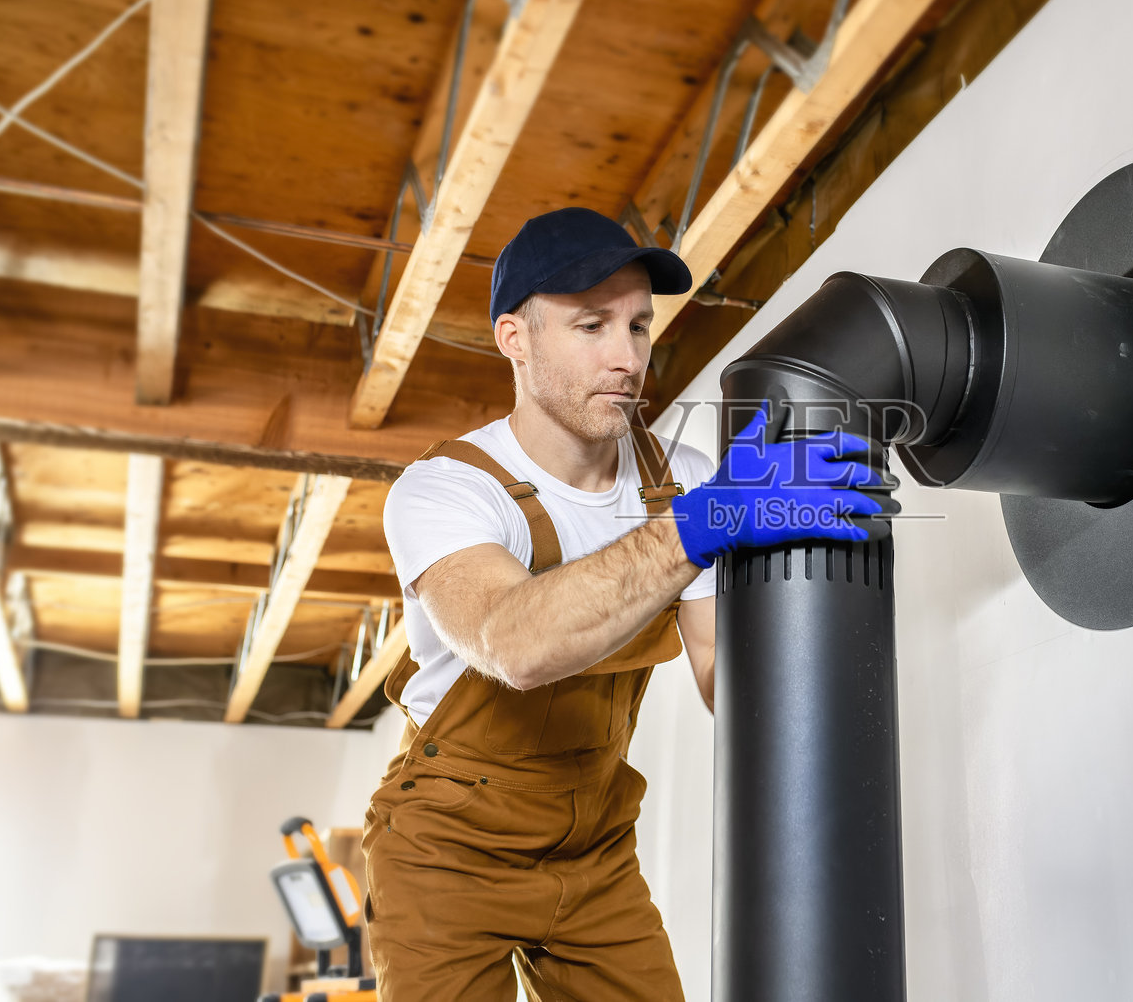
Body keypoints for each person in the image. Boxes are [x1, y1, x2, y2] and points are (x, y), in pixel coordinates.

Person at [363, 206, 898, 1000]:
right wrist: (703, 523)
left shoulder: (681, 478)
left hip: (596, 848)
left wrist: (831, 695)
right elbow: (514, 643)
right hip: (446, 852)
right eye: (591, 326)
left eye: (639, 326)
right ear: (514, 337)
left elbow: (718, 667)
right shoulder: (447, 490)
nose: (627, 358)